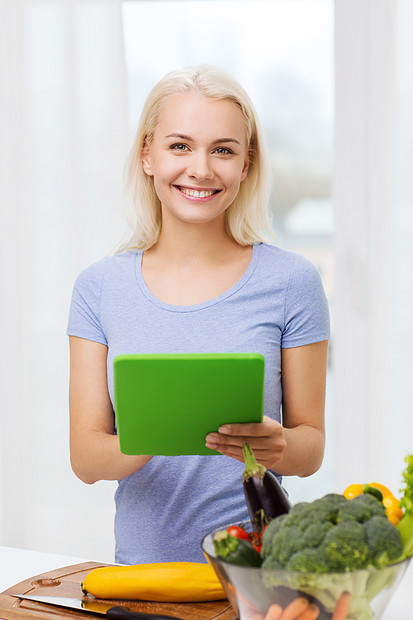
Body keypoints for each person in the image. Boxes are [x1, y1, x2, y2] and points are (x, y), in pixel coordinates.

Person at [67, 65, 330, 565]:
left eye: (223, 149)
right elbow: (85, 457)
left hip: (260, 574)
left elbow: (310, 449)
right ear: (148, 154)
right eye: (180, 146)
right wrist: (162, 429)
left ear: (247, 163)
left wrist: (276, 445)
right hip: (143, 575)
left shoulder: (292, 282)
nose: (202, 169)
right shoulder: (99, 288)